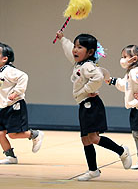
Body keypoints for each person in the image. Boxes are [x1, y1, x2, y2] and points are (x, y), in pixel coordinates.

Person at [56, 31, 132, 181]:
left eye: (79, 47)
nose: (75, 50)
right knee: (85, 139)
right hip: (84, 104)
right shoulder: (80, 63)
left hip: (91, 105)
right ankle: (93, 170)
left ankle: (122, 151)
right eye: (75, 47)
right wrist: (62, 39)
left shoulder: (87, 66)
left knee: (93, 138)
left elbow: (97, 78)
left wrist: (86, 91)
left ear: (90, 52)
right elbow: (69, 50)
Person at [0, 42, 44, 164]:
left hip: (15, 106)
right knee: (0, 133)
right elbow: (1, 87)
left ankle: (35, 134)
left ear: (5, 58)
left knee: (12, 134)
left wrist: (17, 92)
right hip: (5, 108)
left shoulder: (8, 71)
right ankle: (11, 157)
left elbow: (24, 77)